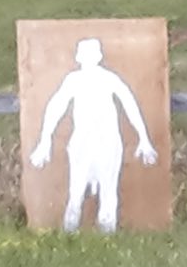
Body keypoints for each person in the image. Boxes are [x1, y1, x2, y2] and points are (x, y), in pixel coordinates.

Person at [29, 37, 157, 233]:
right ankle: (69, 238)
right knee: (76, 194)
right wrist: (44, 140)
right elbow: (56, 107)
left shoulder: (108, 79)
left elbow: (130, 104)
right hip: (83, 143)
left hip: (108, 142)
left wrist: (144, 138)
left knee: (107, 193)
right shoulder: (74, 80)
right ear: (80, 57)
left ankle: (105, 239)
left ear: (97, 57)